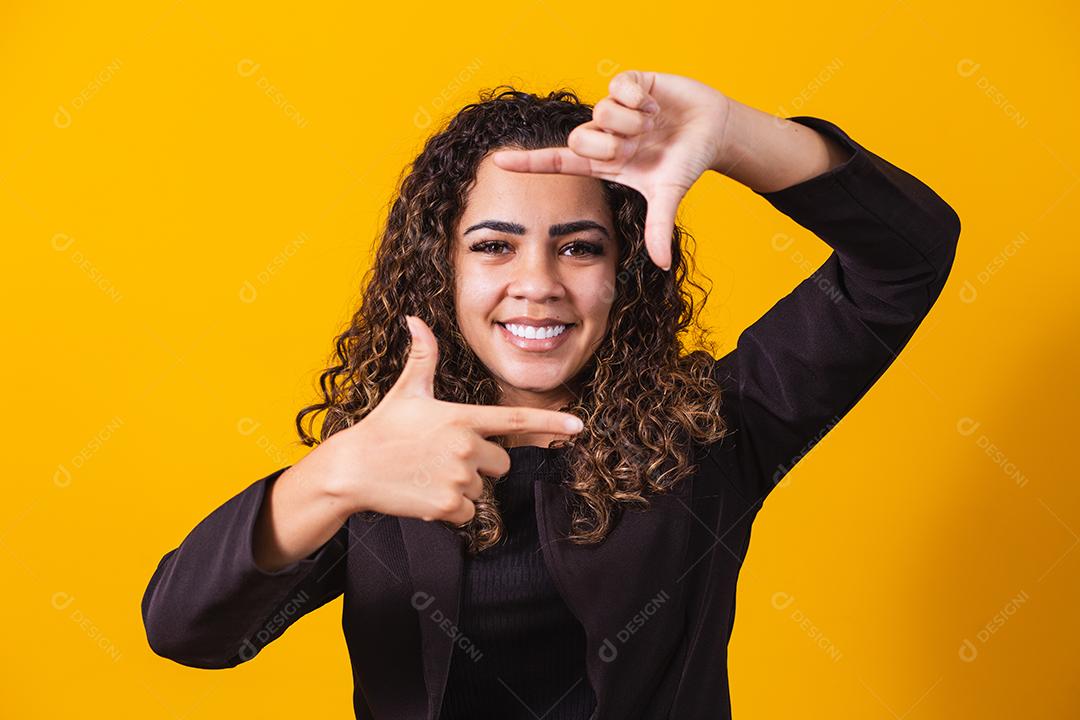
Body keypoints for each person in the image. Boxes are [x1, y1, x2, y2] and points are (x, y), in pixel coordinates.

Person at [141, 70, 961, 719]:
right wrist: (332, 476)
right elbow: (186, 631)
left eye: (578, 247)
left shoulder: (713, 432)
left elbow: (907, 255)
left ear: (624, 271)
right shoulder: (385, 460)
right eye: (494, 246)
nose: (536, 284)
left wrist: (736, 138)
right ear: (444, 272)